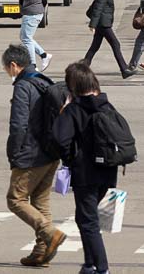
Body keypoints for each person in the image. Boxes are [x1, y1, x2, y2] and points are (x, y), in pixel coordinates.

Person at [1, 44, 66, 268]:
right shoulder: (44, 81)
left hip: (30, 153)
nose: (7, 73)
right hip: (51, 152)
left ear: (13, 65)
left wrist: (14, 153)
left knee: (16, 199)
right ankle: (41, 252)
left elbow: (18, 125)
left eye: (6, 69)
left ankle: (50, 233)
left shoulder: (22, 86)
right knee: (40, 201)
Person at [54, 62, 120, 274]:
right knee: (86, 218)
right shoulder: (106, 105)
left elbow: (60, 139)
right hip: (109, 171)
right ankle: (89, 264)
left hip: (85, 174)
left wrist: (70, 160)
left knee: (88, 221)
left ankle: (102, 268)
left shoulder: (74, 110)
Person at [84, 0, 134, 79]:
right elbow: (98, 7)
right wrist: (93, 24)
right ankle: (124, 69)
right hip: (103, 23)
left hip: (103, 22)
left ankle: (83, 68)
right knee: (115, 44)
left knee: (94, 47)